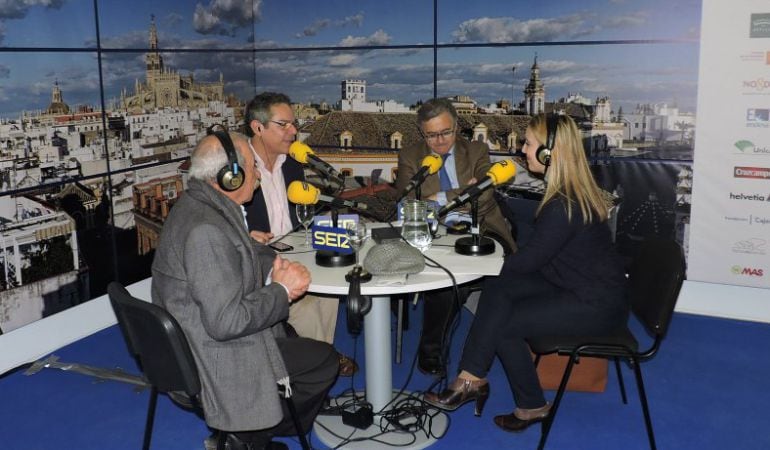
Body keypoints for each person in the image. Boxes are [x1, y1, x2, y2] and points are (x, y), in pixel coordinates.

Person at [424, 113, 628, 433]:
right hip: (568, 282)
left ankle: (529, 404)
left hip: (595, 303)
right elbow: (536, 221)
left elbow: (530, 259)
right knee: (500, 289)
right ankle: (471, 377)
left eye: (529, 144)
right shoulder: (567, 191)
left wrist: (480, 266)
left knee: (505, 322)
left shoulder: (565, 205)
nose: (522, 150)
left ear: (550, 154)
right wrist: (495, 196)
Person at [152, 132, 338, 450]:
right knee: (325, 361)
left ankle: (248, 433)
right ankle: (249, 438)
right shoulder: (205, 231)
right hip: (214, 354)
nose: (256, 176)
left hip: (193, 335)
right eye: (251, 167)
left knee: (290, 333)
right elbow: (227, 323)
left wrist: (274, 262)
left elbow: (240, 248)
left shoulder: (201, 204)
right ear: (230, 177)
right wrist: (281, 289)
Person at [395, 98, 517, 375]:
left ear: (456, 126)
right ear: (420, 132)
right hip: (435, 233)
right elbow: (408, 201)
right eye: (431, 135)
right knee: (446, 280)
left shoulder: (476, 150)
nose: (439, 141)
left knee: (467, 277)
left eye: (445, 132)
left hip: (482, 227)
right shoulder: (411, 156)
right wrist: (463, 192)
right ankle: (431, 348)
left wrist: (437, 197)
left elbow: (484, 197)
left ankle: (475, 350)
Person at [243, 92, 358, 377]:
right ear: (258, 128)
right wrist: (244, 238)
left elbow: (300, 212)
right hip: (257, 260)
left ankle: (320, 355)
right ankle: (319, 365)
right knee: (305, 305)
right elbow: (216, 221)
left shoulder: (293, 162)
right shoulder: (239, 167)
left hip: (295, 248)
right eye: (284, 125)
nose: (294, 131)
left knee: (331, 287)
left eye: (294, 124)